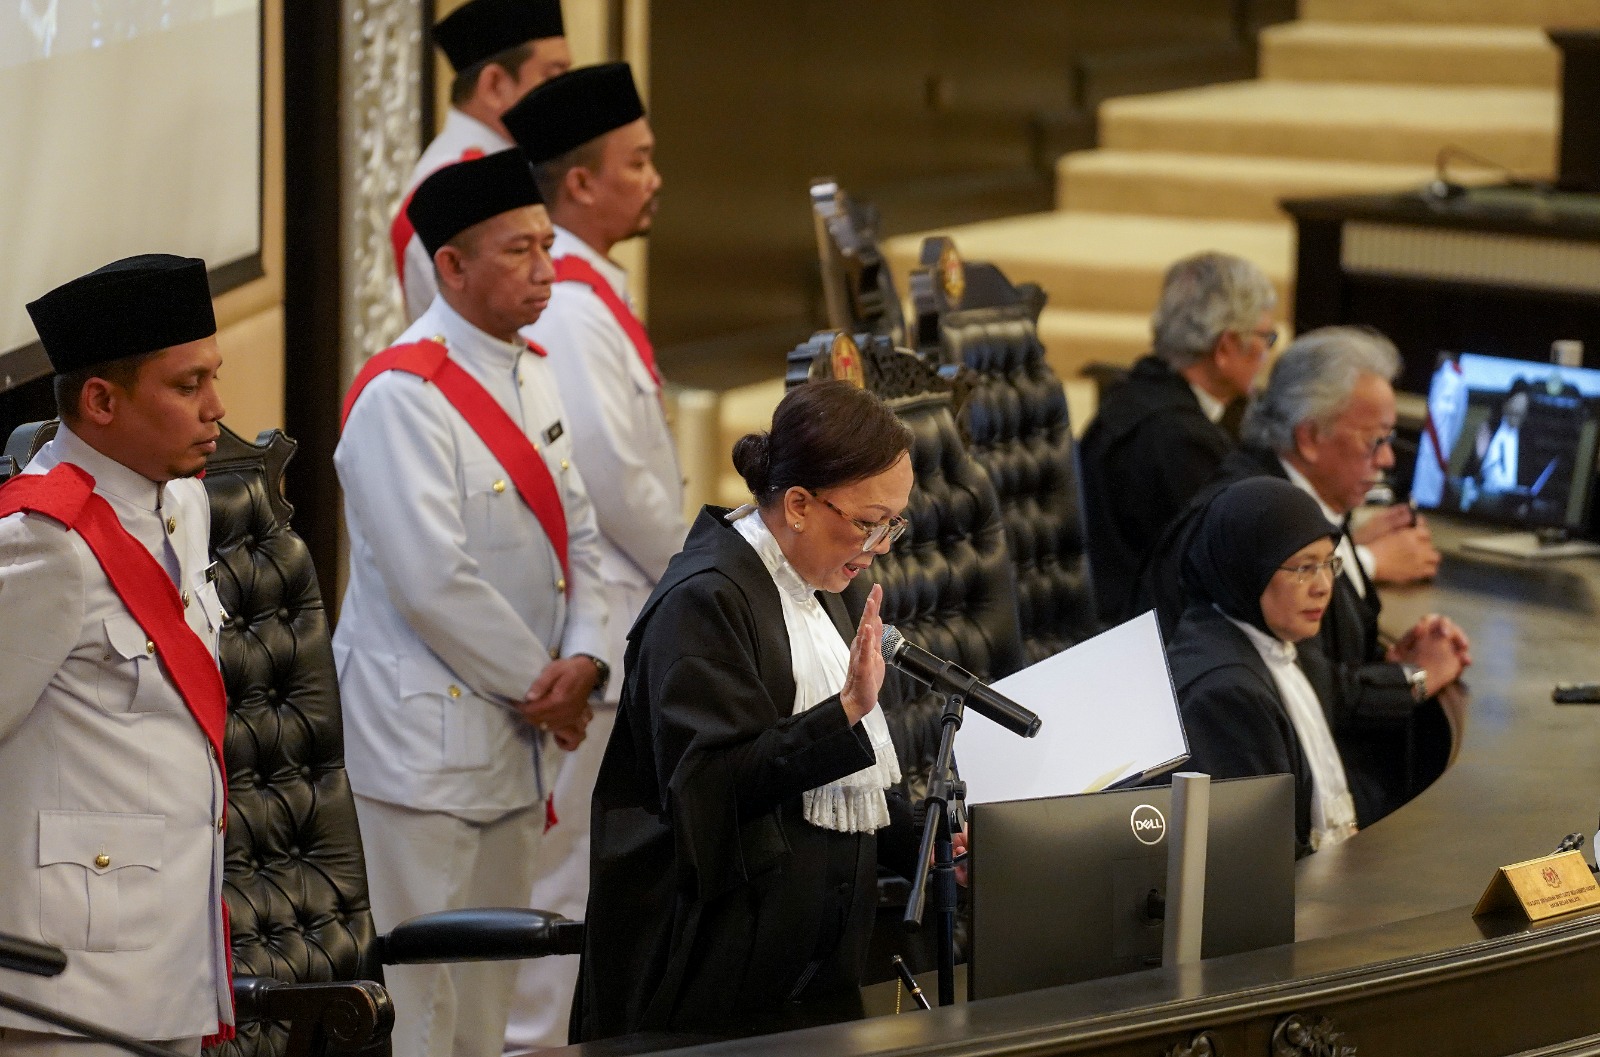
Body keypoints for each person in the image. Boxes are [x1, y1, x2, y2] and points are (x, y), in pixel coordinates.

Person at [335, 149, 609, 1057]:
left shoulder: (531, 369)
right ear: (450, 265)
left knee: (489, 1002)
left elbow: (582, 535)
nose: (546, 270)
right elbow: (434, 580)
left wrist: (589, 658)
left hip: (519, 734)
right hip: (426, 752)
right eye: (519, 250)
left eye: (548, 246)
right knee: (425, 1005)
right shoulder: (400, 396)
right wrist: (549, 681)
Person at [575, 380, 944, 1042]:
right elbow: (711, 787)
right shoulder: (705, 600)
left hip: (807, 966)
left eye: (894, 523)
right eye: (867, 522)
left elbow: (857, 788)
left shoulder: (823, 578)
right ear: (798, 504)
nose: (879, 545)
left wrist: (931, 844)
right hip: (705, 970)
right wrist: (844, 712)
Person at [497, 59, 685, 1050]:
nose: (655, 179)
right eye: (638, 161)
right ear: (578, 182)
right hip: (595, 623)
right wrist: (702, 567)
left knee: (574, 881)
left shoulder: (589, 288)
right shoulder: (566, 302)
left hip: (617, 619)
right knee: (553, 884)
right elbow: (616, 482)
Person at [0, 255, 233, 1054]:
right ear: (100, 400)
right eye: (186, 385)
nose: (217, 407)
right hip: (65, 983)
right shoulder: (43, 544)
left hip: (167, 953)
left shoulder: (181, 502)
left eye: (213, 377)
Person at [1209, 327, 1471, 822]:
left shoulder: (1306, 505)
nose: (1388, 460)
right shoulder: (1259, 524)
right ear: (1309, 436)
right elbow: (1305, 691)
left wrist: (1391, 660)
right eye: (1376, 441)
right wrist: (1414, 676)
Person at [1079, 251, 1278, 624]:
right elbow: (1232, 572)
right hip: (1138, 639)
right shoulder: (1179, 441)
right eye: (1267, 337)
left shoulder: (1136, 392)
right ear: (1225, 349)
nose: (1268, 354)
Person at [1166, 477, 1356, 857]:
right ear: (1248, 568)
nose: (1322, 587)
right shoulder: (1225, 692)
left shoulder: (1265, 636)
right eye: (1304, 568)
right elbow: (1259, 857)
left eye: (1328, 564)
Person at [391, 0, 570, 321]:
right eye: (553, 77)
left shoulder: (518, 166)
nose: (566, 94)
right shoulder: (454, 183)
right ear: (494, 85)